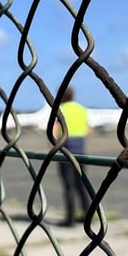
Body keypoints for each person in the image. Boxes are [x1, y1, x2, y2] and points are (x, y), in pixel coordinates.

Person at [53, 88, 93, 227]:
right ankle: (87, 216)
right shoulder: (81, 109)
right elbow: (89, 129)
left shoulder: (60, 109)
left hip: (66, 151)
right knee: (82, 185)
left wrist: (54, 145)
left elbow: (54, 130)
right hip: (80, 151)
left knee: (68, 185)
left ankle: (70, 219)